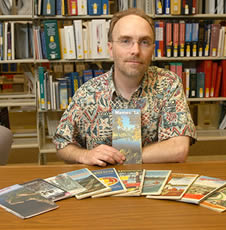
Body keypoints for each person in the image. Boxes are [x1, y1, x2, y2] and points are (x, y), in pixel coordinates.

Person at [53, 8, 196, 166]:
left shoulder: (168, 84)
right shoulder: (88, 93)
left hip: (154, 185)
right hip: (104, 184)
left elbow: (178, 149)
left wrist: (119, 158)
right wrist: (85, 155)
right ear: (110, 48)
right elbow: (62, 143)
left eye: (144, 42)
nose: (135, 50)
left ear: (153, 50)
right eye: (125, 41)